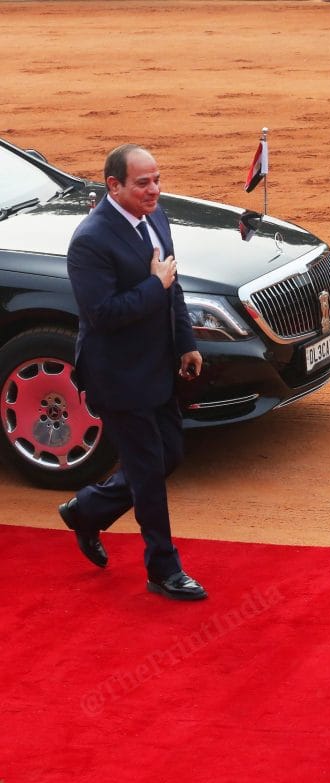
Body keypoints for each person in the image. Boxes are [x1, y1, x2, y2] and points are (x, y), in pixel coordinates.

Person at [58, 144, 207, 601]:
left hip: (158, 366)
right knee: (147, 473)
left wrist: (186, 343)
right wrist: (153, 284)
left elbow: (172, 285)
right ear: (113, 186)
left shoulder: (156, 219)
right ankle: (163, 569)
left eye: (157, 179)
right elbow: (103, 313)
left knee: (169, 457)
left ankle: (88, 510)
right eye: (143, 183)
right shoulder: (90, 240)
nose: (154, 190)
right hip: (119, 376)